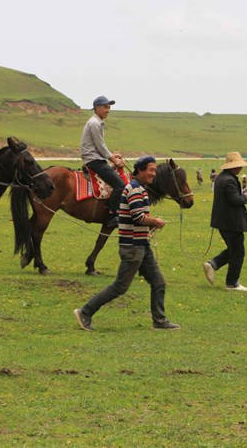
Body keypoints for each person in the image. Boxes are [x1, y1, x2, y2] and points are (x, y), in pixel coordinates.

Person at [74, 156, 180, 331]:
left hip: (141, 245)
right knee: (120, 287)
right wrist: (155, 222)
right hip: (132, 247)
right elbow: (139, 217)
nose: (154, 174)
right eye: (150, 170)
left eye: (155, 170)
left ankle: (159, 320)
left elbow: (135, 218)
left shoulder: (140, 189)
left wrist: (149, 226)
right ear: (139, 170)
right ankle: (85, 312)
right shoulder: (135, 190)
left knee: (158, 282)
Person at [202, 152, 247, 291]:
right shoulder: (229, 180)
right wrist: (245, 197)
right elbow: (235, 200)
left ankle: (213, 264)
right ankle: (232, 283)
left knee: (234, 249)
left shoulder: (221, 178)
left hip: (223, 221)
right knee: (238, 252)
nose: (240, 168)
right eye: (238, 166)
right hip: (231, 222)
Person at [80, 95, 125, 225]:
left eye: (109, 107)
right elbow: (100, 146)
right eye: (106, 107)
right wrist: (114, 159)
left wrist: (112, 155)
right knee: (120, 185)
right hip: (94, 160)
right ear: (98, 108)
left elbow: (100, 146)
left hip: (96, 158)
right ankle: (112, 215)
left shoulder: (97, 122)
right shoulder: (94, 123)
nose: (108, 110)